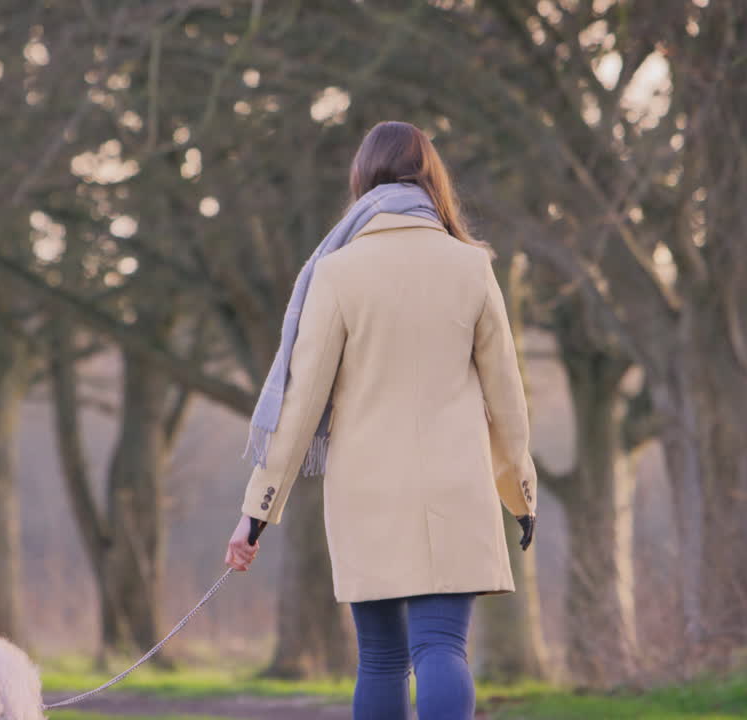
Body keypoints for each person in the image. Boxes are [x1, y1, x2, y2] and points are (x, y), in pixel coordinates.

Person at [224, 120, 538, 720]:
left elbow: (299, 405)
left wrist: (256, 513)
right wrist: (520, 495)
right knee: (443, 648)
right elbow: (507, 401)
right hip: (455, 487)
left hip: (367, 492)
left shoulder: (338, 272)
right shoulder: (471, 267)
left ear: (362, 180)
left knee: (381, 659)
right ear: (431, 180)